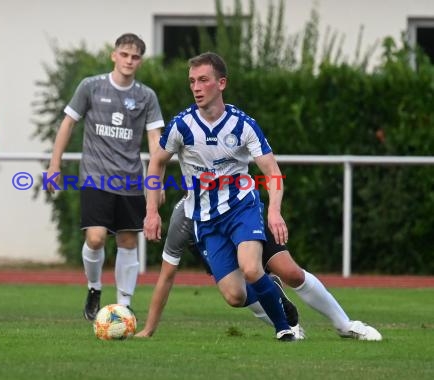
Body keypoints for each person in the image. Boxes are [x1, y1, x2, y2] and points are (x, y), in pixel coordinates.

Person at [144, 52, 295, 341]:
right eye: (192, 82)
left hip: (242, 207)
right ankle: (271, 290)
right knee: (235, 296)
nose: (196, 87)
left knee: (251, 268)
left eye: (203, 80)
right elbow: (157, 161)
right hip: (206, 219)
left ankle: (284, 329)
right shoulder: (182, 125)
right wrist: (152, 210)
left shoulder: (243, 124)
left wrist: (274, 209)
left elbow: (271, 170)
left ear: (221, 83)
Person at [136, 197, 382, 341]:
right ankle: (282, 315)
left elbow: (267, 165)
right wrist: (148, 329)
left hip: (243, 220)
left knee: (291, 272)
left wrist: (274, 210)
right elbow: (166, 277)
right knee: (235, 295)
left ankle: (345, 325)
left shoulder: (232, 190)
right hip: (213, 239)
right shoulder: (184, 221)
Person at [46, 33, 164, 321]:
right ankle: (94, 287)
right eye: (124, 54)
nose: (129, 61)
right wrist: (54, 165)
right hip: (96, 177)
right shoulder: (91, 86)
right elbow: (68, 123)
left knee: (127, 242)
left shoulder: (146, 96)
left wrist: (155, 182)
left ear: (140, 61)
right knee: (96, 238)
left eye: (135, 57)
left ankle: (124, 305)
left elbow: (154, 140)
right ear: (114, 55)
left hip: (130, 180)